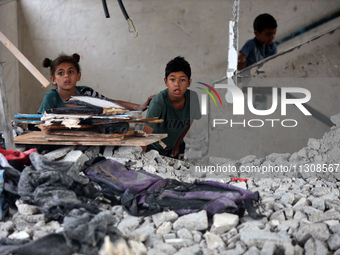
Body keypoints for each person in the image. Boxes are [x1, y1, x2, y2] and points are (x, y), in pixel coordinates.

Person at [38, 53, 153, 114]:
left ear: (78, 76)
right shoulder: (51, 97)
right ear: (53, 79)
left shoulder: (86, 92)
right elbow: (40, 123)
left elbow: (110, 103)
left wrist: (139, 107)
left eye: (71, 72)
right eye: (61, 73)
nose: (66, 76)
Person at [142, 56, 201, 159]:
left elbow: (189, 121)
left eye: (182, 80)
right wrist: (140, 161)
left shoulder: (193, 98)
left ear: (189, 82)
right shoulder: (158, 103)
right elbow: (145, 136)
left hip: (174, 146)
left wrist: (177, 143)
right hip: (153, 147)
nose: (177, 84)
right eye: (172, 79)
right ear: (166, 82)